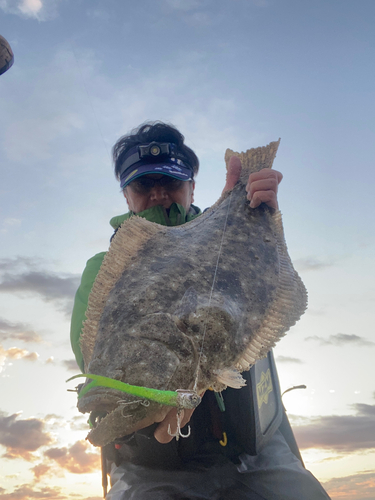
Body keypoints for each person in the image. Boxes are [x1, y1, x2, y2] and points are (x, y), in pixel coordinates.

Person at [71, 122, 331, 499]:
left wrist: (261, 213)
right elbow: (94, 365)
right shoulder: (103, 267)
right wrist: (143, 418)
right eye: (143, 185)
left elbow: (266, 286)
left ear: (192, 185)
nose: (158, 193)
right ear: (126, 194)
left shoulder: (229, 234)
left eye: (171, 182)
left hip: (256, 453)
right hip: (153, 466)